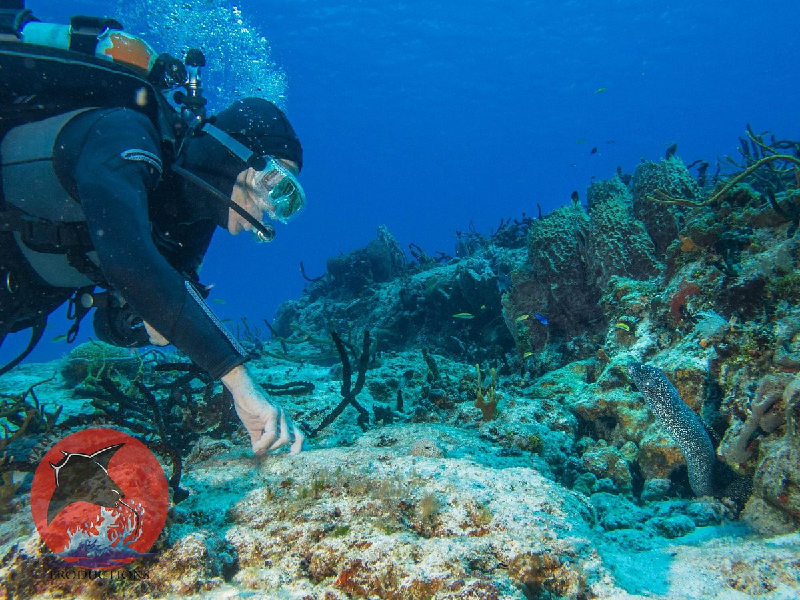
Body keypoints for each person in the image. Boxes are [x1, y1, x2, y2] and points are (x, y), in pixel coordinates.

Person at [0, 4, 304, 455]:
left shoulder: (189, 221)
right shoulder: (122, 134)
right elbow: (130, 263)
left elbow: (113, 323)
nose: (273, 208)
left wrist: (144, 325)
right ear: (239, 157)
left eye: (287, 201)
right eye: (277, 184)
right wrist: (242, 387)